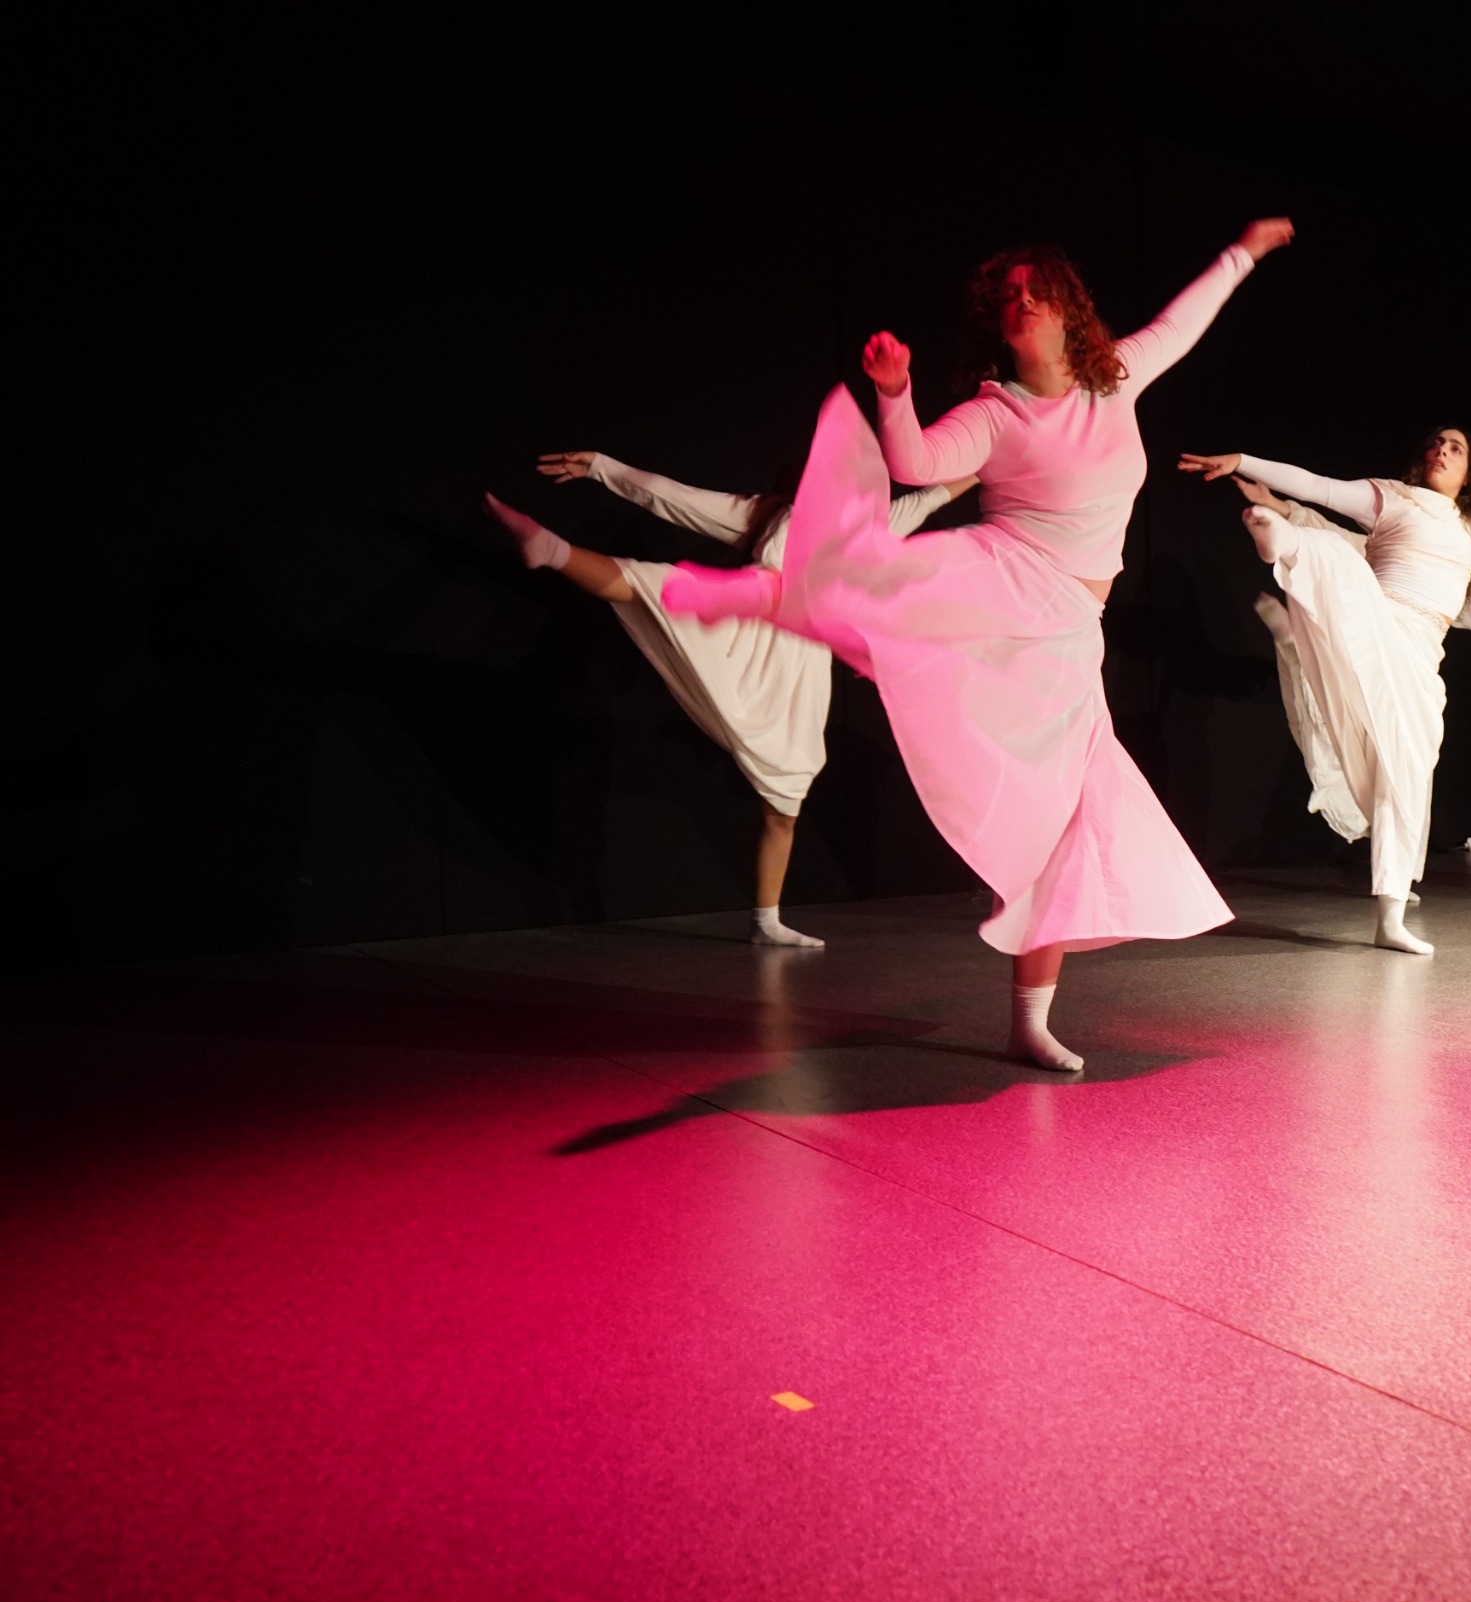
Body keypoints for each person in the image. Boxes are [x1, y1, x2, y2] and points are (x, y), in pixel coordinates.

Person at [656, 219, 1297, 1067]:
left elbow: (1185, 320)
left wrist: (1243, 252)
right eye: (1008, 297)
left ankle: (1030, 1020)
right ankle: (752, 594)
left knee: (1067, 822)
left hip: (1069, 633)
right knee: (881, 585)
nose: (1022, 302)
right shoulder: (995, 413)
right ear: (998, 323)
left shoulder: (1115, 380)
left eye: (1037, 291)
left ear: (1070, 310)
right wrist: (894, 392)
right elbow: (917, 463)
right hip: (1009, 572)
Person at [484, 457, 970, 946]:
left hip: (797, 660)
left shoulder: (870, 524)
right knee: (657, 585)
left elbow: (929, 498)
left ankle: (765, 921)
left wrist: (998, 459)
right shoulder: (768, 513)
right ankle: (552, 549)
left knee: (788, 789)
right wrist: (598, 466)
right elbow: (671, 496)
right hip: (748, 616)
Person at [1175, 331, 1471, 954]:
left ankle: (1390, 916)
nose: (1442, 449)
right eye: (1437, 442)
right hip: (1376, 619)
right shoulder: (1392, 498)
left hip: (1421, 655)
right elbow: (1314, 484)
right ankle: (1283, 542)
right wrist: (1243, 461)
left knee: (1407, 775)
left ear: (1470, 473)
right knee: (1340, 560)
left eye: (1456, 447)